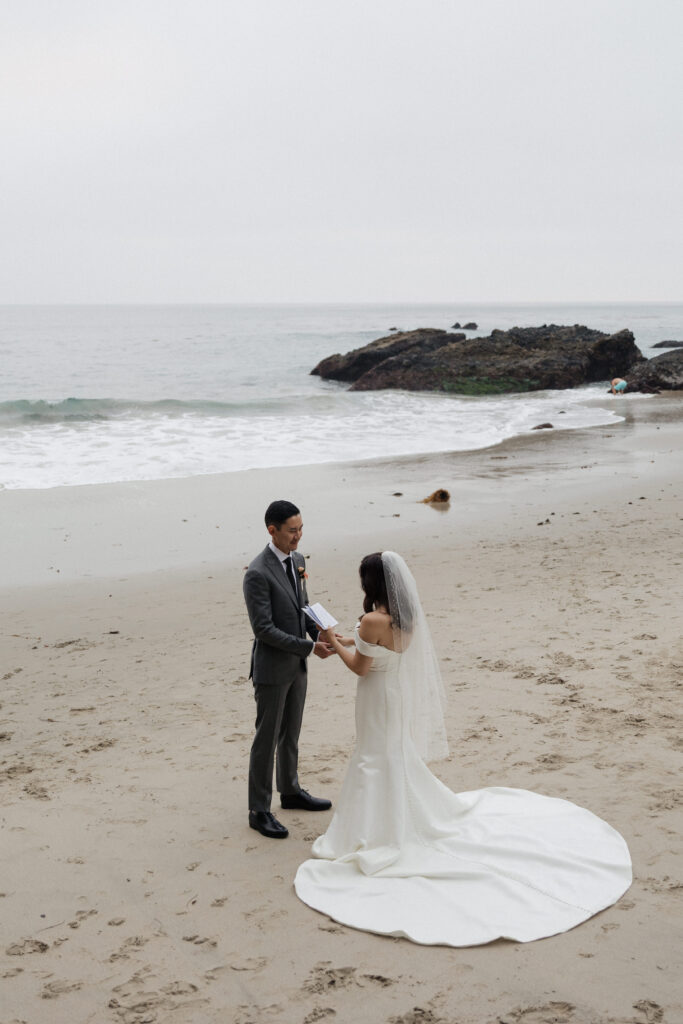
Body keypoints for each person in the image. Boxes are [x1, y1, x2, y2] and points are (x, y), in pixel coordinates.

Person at [294, 551, 632, 946]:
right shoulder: (403, 618)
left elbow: (360, 667)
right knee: (391, 753)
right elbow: (377, 647)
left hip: (374, 696)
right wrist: (349, 639)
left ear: (372, 584)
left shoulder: (372, 620)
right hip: (393, 696)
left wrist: (331, 635)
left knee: (374, 756)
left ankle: (378, 827)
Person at [243, 500, 334, 839]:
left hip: (297, 662)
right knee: (266, 739)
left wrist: (322, 631)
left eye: (301, 530)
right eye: (292, 531)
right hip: (271, 668)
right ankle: (259, 809)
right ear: (273, 530)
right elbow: (263, 629)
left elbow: (303, 608)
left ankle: (291, 791)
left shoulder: (297, 561)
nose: (298, 537)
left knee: (291, 732)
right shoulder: (257, 573)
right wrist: (310, 647)